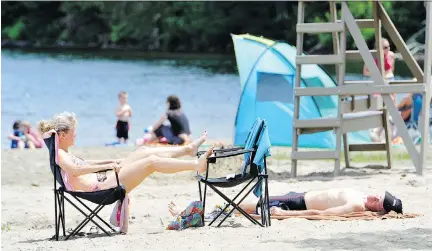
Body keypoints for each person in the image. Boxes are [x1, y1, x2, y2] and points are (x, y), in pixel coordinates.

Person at [38, 112, 213, 194]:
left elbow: (86, 164)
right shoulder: (60, 155)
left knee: (144, 150)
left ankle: (187, 149)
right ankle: (195, 164)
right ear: (62, 135)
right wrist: (108, 166)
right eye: (73, 131)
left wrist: (112, 160)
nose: (75, 134)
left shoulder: (65, 154)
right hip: (102, 186)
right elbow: (76, 171)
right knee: (151, 161)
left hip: (106, 177)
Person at [169, 188, 403, 218]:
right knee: (241, 204)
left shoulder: (356, 206)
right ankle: (199, 212)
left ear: (379, 209)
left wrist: (282, 215)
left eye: (378, 201)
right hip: (297, 195)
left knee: (241, 202)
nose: (374, 197)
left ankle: (190, 213)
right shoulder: (362, 197)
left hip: (296, 204)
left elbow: (321, 214)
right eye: (378, 195)